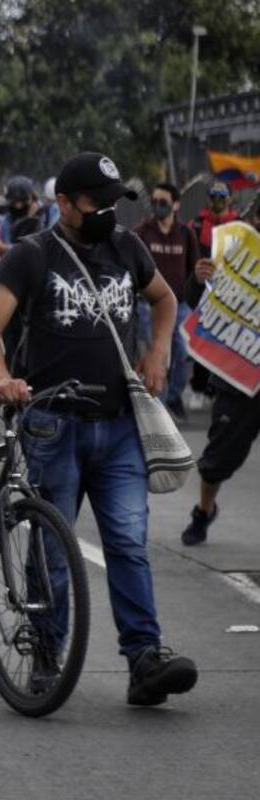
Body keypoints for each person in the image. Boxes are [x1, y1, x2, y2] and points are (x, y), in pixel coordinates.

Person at [0, 150, 198, 707]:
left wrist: (160, 348)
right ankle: (47, 655)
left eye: (113, 203)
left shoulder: (126, 246)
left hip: (119, 424)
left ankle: (145, 658)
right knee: (51, 547)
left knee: (127, 542)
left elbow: (165, 299)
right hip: (53, 424)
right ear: (65, 204)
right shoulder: (32, 255)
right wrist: (1, 377)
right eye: (96, 203)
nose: (107, 213)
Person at [181, 195, 260, 546]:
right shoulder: (237, 253)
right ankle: (203, 511)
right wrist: (199, 279)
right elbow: (196, 301)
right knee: (216, 461)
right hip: (237, 378)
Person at [134, 182, 201, 418]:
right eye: (154, 202)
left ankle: (173, 397)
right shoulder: (142, 232)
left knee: (182, 353)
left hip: (180, 305)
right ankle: (158, 407)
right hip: (148, 306)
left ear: (175, 204)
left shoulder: (186, 234)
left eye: (163, 202)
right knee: (157, 355)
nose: (157, 207)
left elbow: (194, 270)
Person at [193, 181, 238, 257]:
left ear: (230, 199)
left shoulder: (239, 224)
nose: (217, 200)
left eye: (222, 196)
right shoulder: (196, 224)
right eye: (213, 196)